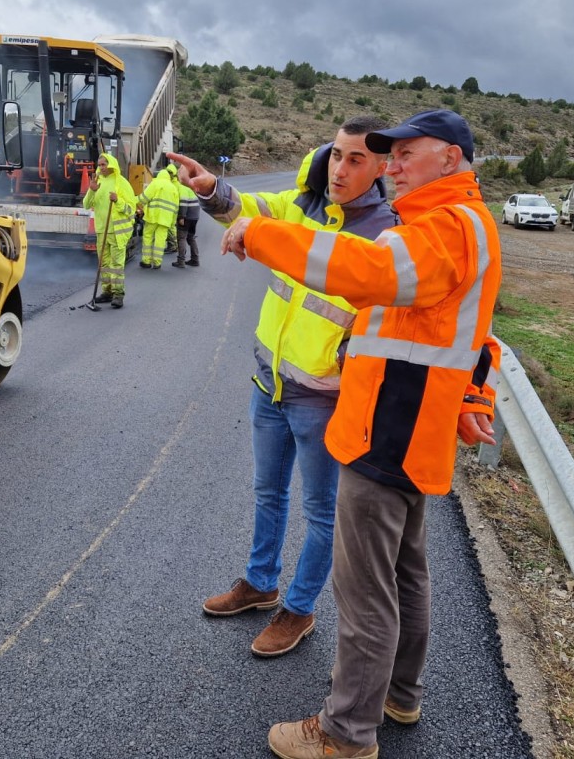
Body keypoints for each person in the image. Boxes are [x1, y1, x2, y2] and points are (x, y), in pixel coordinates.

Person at [218, 109, 502, 759]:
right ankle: (399, 692)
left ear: (451, 159)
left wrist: (261, 236)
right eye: (389, 154)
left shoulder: (443, 229)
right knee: (406, 574)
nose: (393, 165)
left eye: (406, 154)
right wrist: (472, 399)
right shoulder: (467, 227)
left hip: (387, 427)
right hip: (414, 425)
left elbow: (365, 272)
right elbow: (478, 337)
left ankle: (346, 733)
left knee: (365, 589)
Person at [167, 115, 396, 659]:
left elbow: (383, 316)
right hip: (269, 381)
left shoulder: (385, 232)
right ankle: (260, 583)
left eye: (357, 159)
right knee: (268, 492)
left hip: (323, 395)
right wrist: (211, 188)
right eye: (336, 155)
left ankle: (299, 608)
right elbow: (251, 210)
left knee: (321, 512)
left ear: (382, 166)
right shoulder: (306, 205)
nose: (340, 168)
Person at [82, 152, 137, 307]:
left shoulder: (121, 183)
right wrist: (92, 190)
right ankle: (107, 292)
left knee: (116, 264)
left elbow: (130, 209)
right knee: (104, 263)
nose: (101, 167)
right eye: (99, 165)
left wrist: (118, 200)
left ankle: (118, 294)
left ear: (111, 164)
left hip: (117, 231)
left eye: (104, 164)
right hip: (102, 231)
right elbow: (86, 205)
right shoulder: (97, 181)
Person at [137, 164, 180, 269]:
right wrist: (172, 222)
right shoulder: (173, 188)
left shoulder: (155, 183)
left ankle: (146, 262)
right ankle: (157, 262)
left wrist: (133, 201)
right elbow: (176, 208)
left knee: (148, 237)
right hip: (166, 220)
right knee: (160, 240)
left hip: (152, 217)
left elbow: (144, 198)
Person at [173, 181, 201, 267]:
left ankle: (181, 261)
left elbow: (183, 203)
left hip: (187, 216)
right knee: (191, 237)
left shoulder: (182, 189)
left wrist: (181, 217)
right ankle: (195, 259)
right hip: (195, 216)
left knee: (182, 238)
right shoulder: (189, 189)